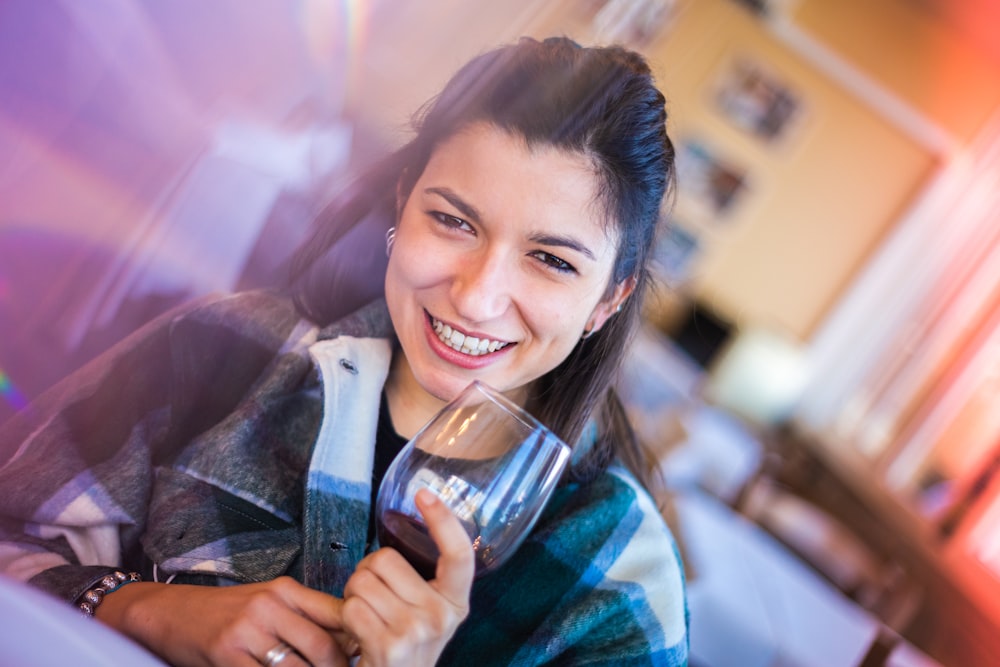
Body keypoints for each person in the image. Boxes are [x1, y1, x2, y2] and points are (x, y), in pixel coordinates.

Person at [0, 36, 688, 666]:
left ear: (610, 298)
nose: (476, 298)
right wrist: (142, 607)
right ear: (402, 201)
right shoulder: (224, 348)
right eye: (452, 220)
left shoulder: (618, 581)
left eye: (550, 260)